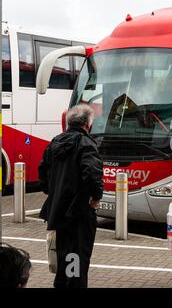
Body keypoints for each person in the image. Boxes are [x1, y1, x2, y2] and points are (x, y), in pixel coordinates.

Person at [38, 104, 104, 288]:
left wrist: (53, 193)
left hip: (58, 211)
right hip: (79, 211)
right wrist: (95, 198)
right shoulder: (86, 144)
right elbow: (92, 174)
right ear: (87, 124)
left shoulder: (55, 142)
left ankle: (63, 284)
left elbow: (42, 173)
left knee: (63, 256)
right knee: (77, 257)